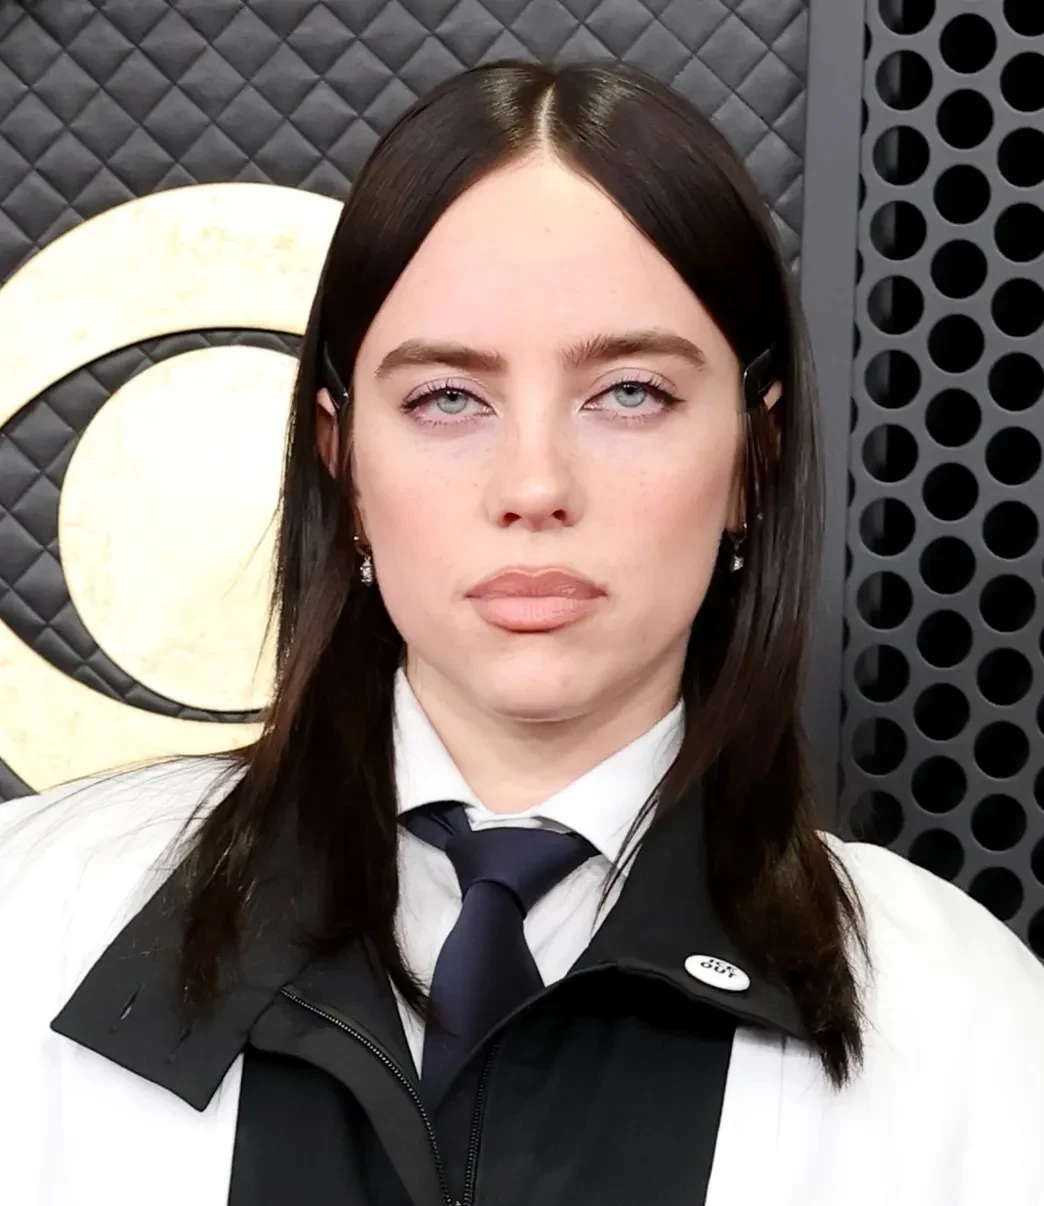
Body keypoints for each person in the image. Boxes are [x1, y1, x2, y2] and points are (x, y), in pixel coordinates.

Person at [1, 59, 1042, 1206]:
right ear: (344, 464)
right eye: (448, 398)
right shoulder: (36, 919)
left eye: (630, 392)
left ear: (756, 458)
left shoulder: (959, 1025)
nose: (534, 485)